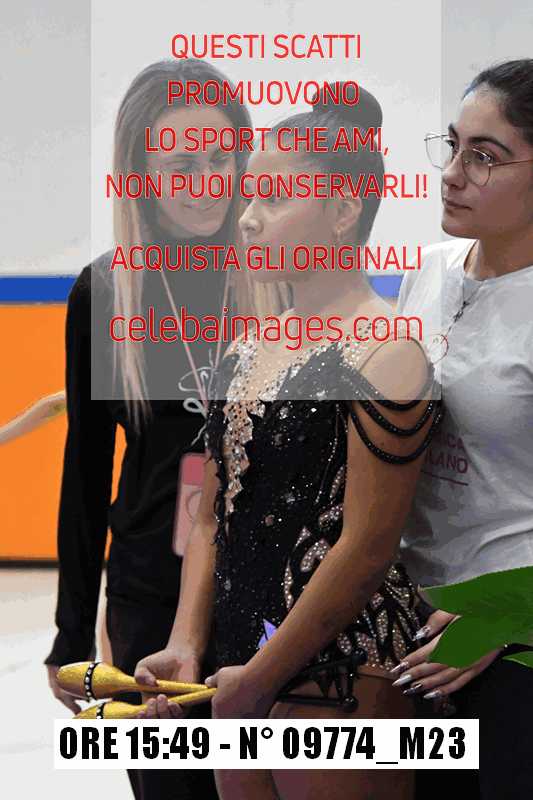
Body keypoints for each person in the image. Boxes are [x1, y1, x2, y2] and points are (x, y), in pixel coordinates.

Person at [134, 84, 443, 800]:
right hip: (238, 657)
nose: (246, 218)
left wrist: (265, 677)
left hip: (342, 666)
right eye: (250, 197)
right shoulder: (244, 349)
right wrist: (186, 642)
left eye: (272, 199)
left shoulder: (388, 353)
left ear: (342, 211)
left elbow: (366, 548)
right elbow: (210, 518)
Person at [45, 57, 252, 800]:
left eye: (220, 159)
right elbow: (85, 471)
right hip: (149, 590)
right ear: (141, 172)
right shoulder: (107, 291)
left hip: (263, 582)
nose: (205, 182)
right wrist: (71, 634)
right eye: (181, 164)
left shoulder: (275, 274)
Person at [391, 59, 533, 799]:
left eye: (484, 156)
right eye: (452, 146)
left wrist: (509, 610)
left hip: (511, 638)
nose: (451, 174)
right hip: (411, 624)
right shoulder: (429, 270)